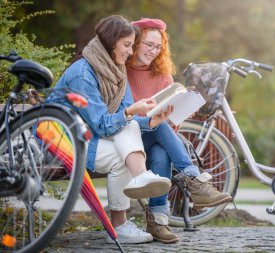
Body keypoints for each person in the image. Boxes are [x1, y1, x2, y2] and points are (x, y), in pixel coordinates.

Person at [50, 15, 173, 244]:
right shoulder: (82, 74)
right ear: (110, 42)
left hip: (89, 137)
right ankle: (126, 212)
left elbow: (124, 118)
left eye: (131, 45)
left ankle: (137, 186)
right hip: (63, 140)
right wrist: (129, 114)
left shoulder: (117, 72)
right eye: (127, 45)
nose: (130, 51)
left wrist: (153, 122)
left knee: (127, 131)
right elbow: (103, 124)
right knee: (123, 146)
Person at [127, 18, 233, 244]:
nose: (153, 51)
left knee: (161, 152)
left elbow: (170, 125)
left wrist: (180, 113)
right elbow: (123, 114)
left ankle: (158, 222)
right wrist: (154, 119)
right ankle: (195, 181)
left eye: (158, 47)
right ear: (136, 41)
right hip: (128, 141)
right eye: (148, 44)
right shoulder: (121, 69)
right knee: (157, 123)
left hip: (154, 138)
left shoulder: (162, 74)